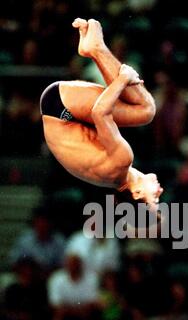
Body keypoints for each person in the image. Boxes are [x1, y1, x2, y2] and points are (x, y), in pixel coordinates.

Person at [40, 18, 163, 210]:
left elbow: (99, 112)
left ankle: (96, 48)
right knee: (138, 109)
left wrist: (124, 78)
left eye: (154, 200)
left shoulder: (123, 161)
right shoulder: (112, 180)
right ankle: (92, 50)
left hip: (61, 107)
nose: (160, 193)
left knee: (146, 110)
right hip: (60, 115)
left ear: (137, 193)